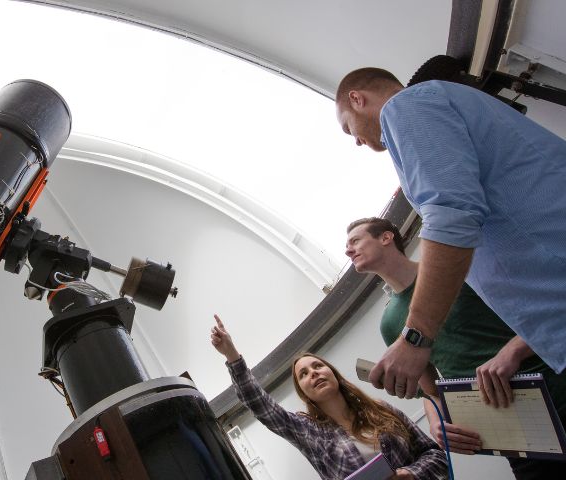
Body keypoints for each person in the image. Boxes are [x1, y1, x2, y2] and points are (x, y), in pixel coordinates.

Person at [334, 67, 566, 400]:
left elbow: (451, 215)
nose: (356, 140)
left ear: (356, 98)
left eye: (348, 128)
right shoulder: (437, 103)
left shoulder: (405, 107)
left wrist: (416, 337)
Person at [346, 216, 566, 478]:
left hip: (557, 393)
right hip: (517, 435)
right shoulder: (391, 323)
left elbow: (551, 310)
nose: (348, 250)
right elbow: (430, 391)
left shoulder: (457, 269)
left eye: (355, 241)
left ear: (386, 237)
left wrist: (513, 351)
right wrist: (436, 421)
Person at [210, 315, 447, 480]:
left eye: (317, 366)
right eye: (303, 374)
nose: (313, 373)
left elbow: (436, 455)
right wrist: (232, 355)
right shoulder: (307, 431)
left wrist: (411, 474)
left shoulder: (381, 409)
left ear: (333, 374)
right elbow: (261, 405)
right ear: (304, 393)